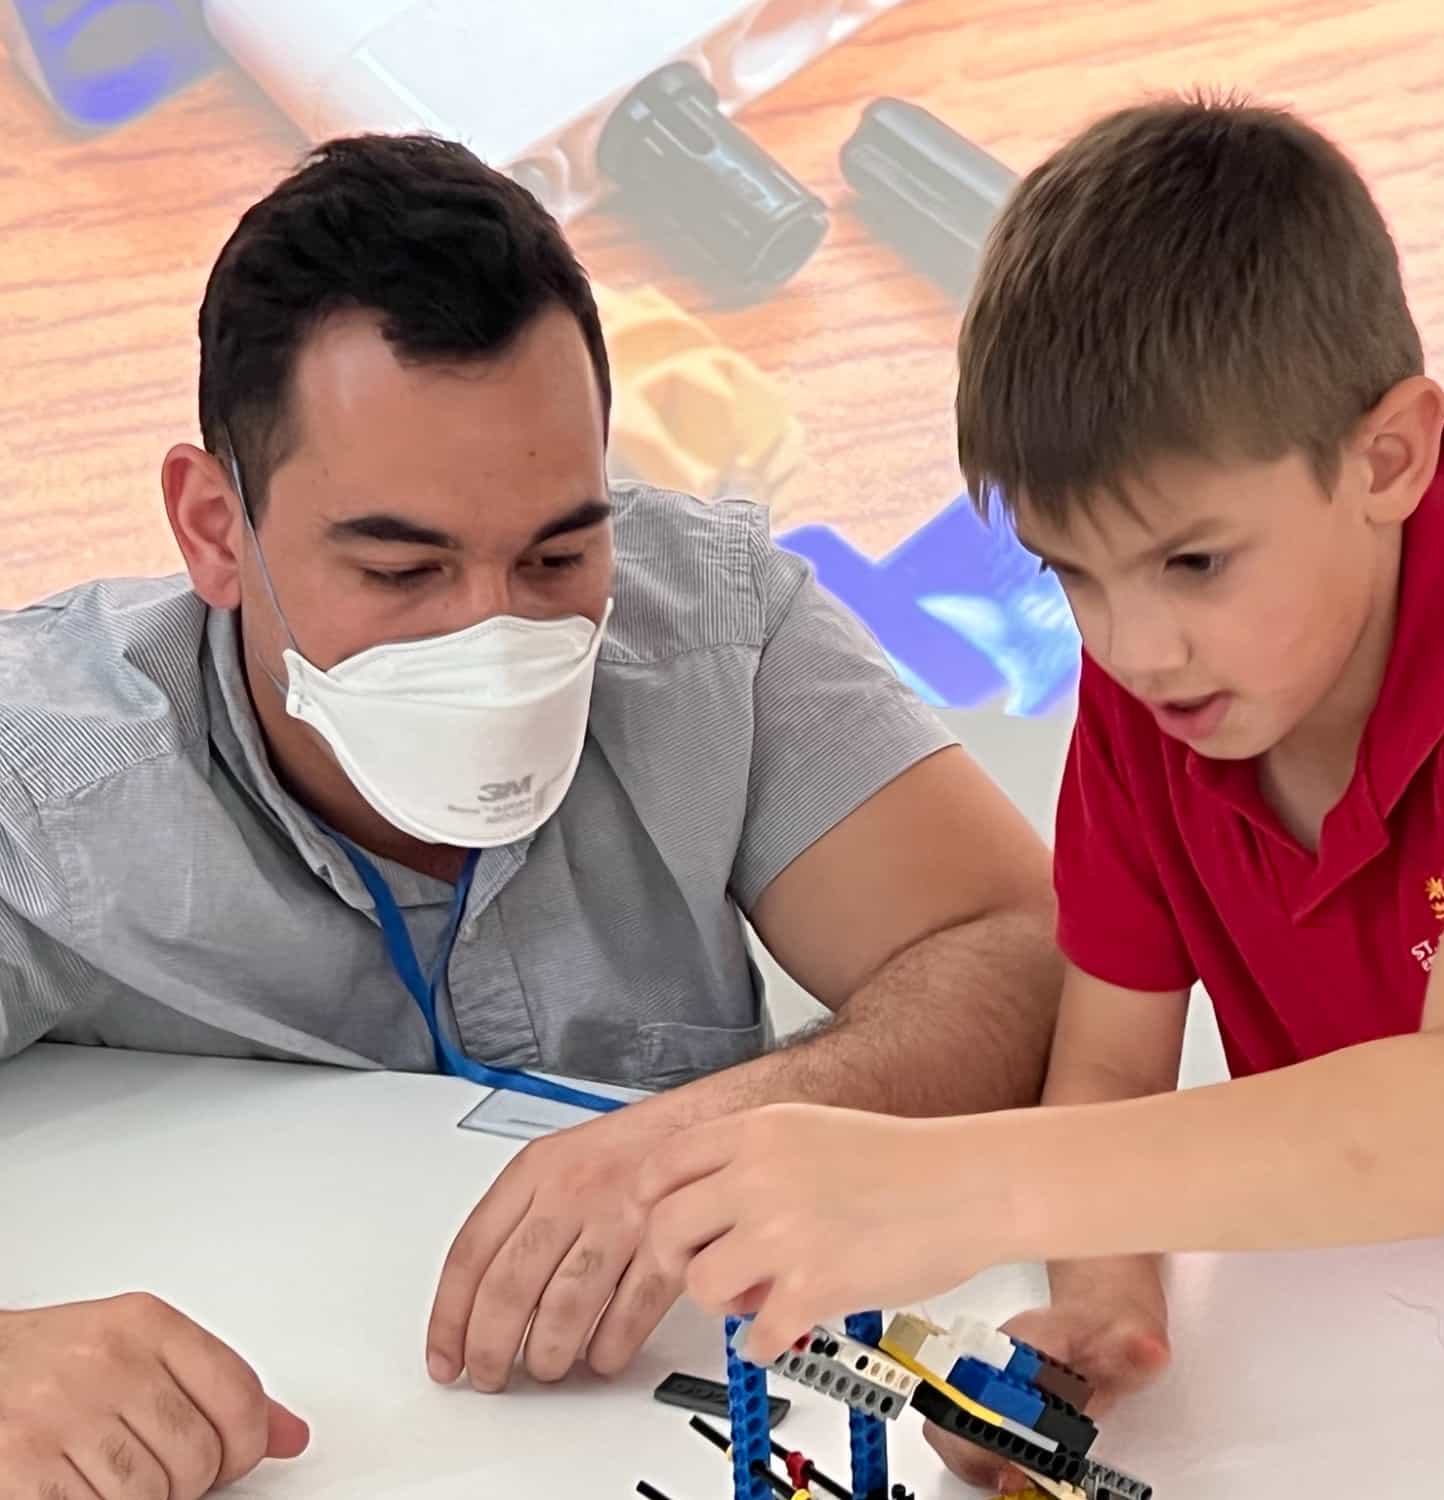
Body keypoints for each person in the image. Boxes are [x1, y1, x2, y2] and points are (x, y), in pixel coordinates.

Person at [629, 91, 1444, 1487]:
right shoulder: (1149, 710)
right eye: (1071, 576)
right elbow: (1108, 1067)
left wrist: (953, 1181)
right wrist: (1105, 1302)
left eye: (1192, 564)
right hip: (1383, 1294)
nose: (1131, 648)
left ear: (1388, 457)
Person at [0, 135, 1063, 1498]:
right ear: (215, 529)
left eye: (559, 552)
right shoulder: (47, 777)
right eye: (401, 568)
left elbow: (1021, 946)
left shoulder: (713, 624)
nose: (495, 637)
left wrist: (704, 1141)